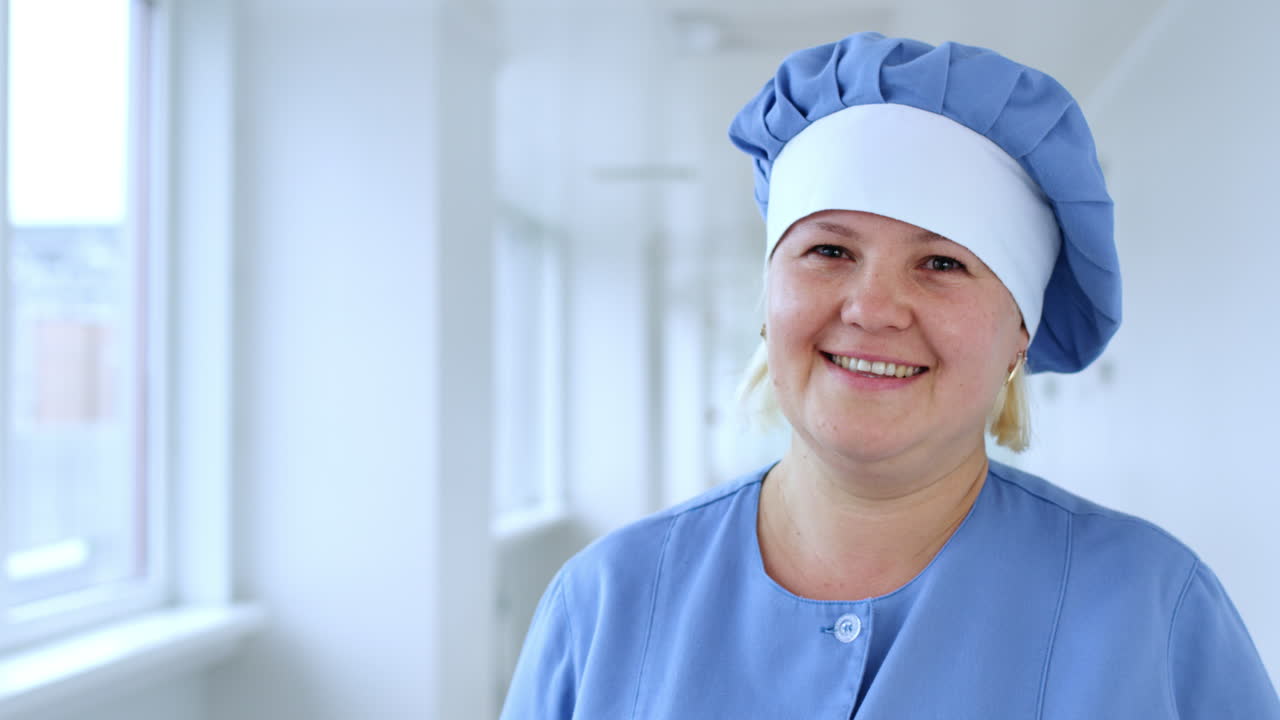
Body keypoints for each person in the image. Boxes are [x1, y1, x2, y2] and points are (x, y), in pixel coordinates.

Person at [499, 32, 1280, 718]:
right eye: (829, 251)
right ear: (768, 300)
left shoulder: (1152, 611)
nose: (873, 308)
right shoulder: (603, 605)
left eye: (942, 262)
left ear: (1021, 333)